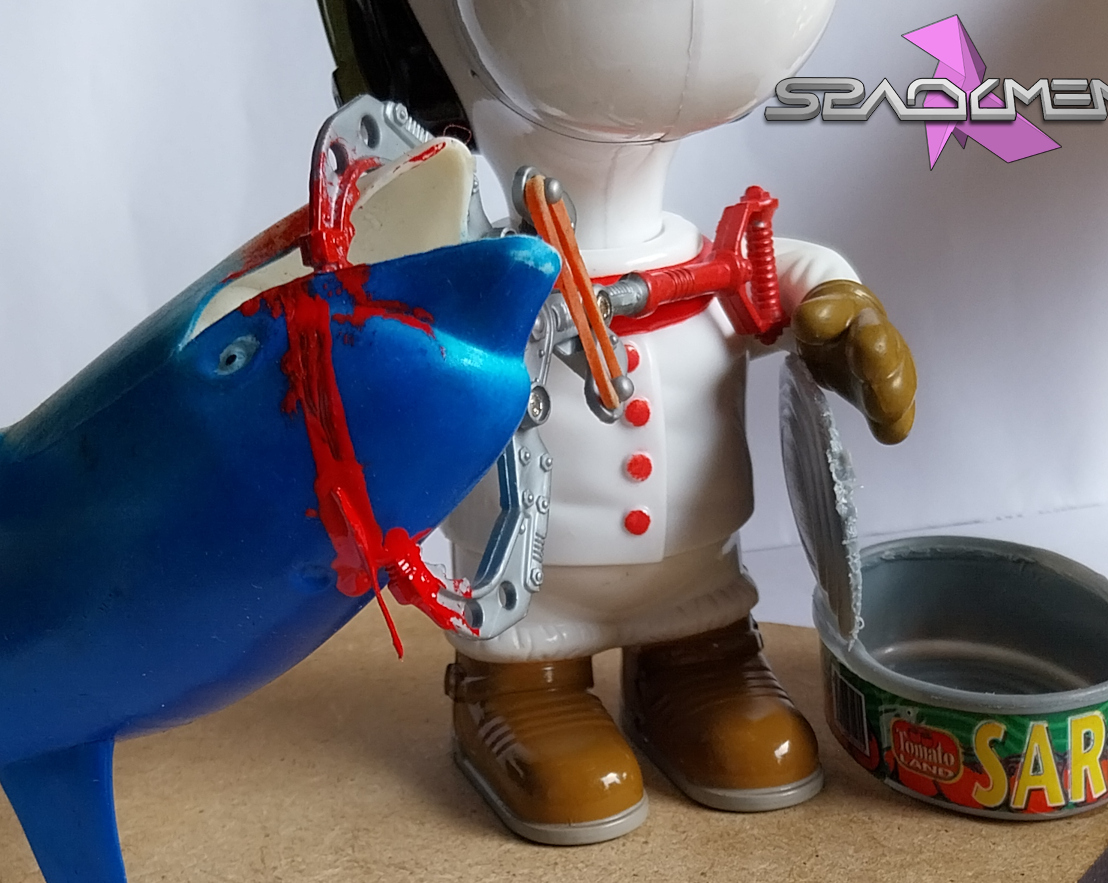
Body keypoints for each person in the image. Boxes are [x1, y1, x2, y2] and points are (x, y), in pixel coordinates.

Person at [318, 0, 916, 845]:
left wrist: (841, 314)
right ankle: (512, 688)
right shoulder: (469, 278)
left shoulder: (715, 261)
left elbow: (783, 277)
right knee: (535, 679)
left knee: (721, 681)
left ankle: (695, 664)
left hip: (698, 583)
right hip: (521, 601)